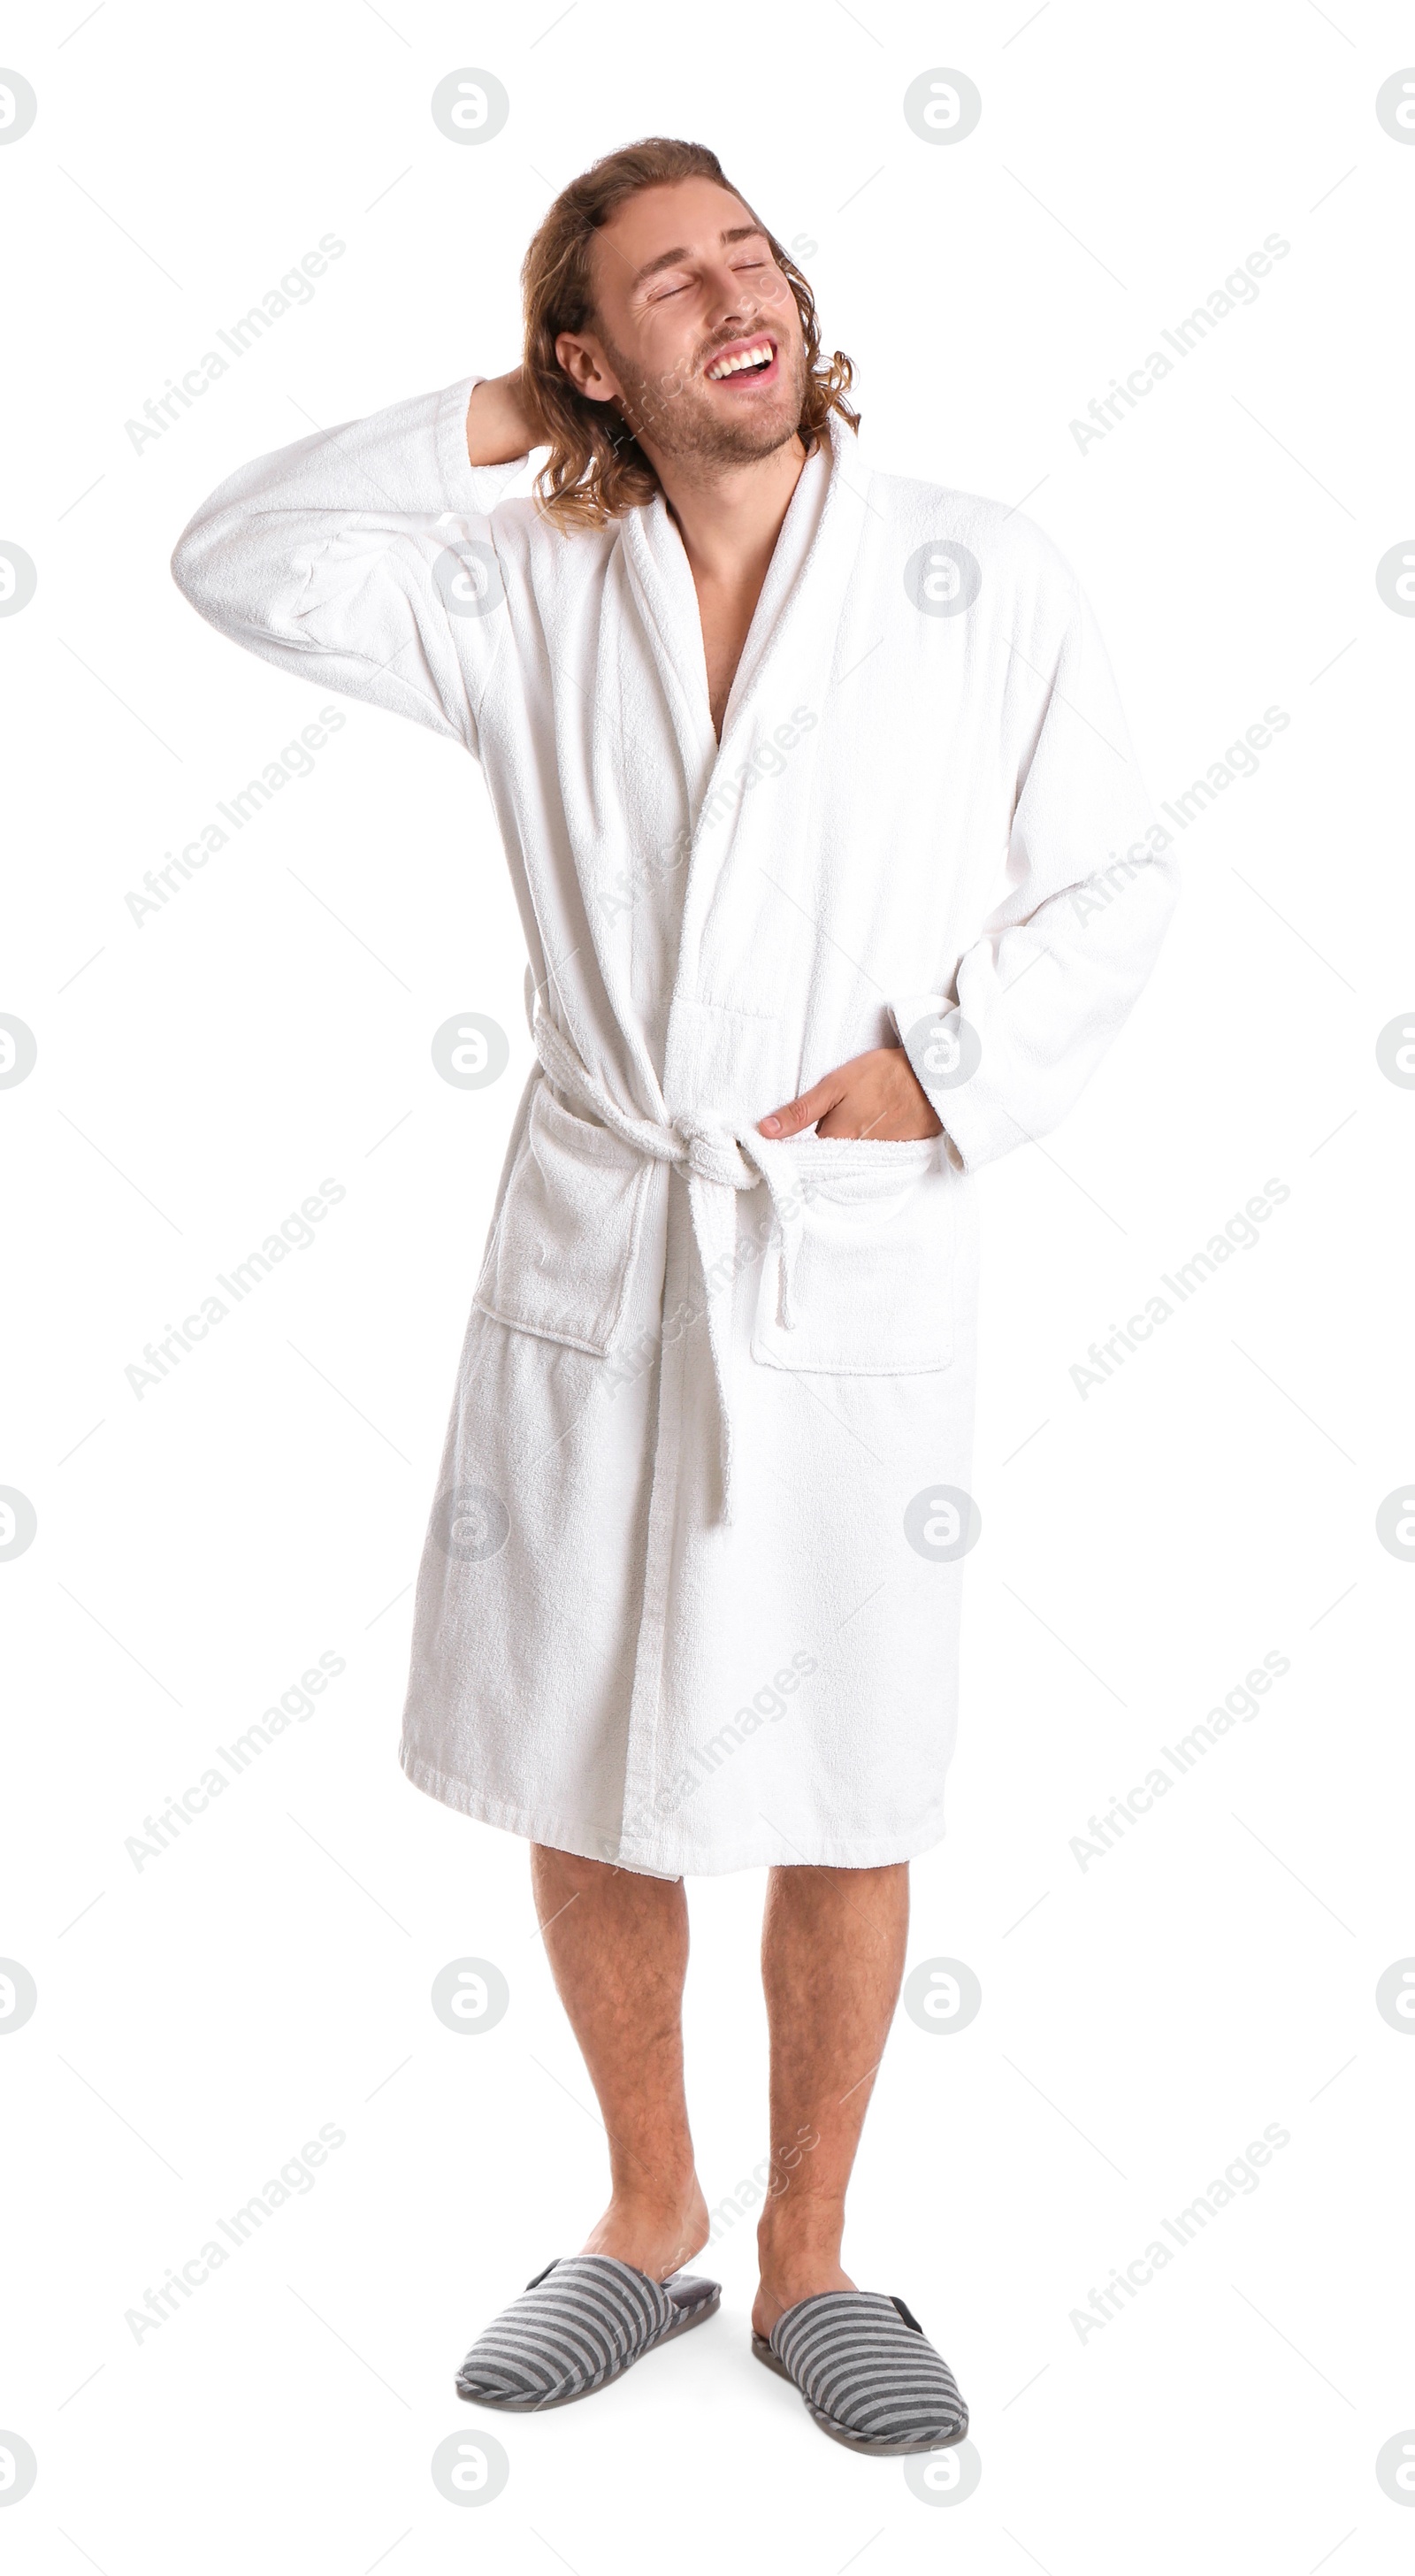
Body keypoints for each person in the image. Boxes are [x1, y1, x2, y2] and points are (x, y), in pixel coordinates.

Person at [172, 134, 1177, 2454]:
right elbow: (233, 558)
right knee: (582, 1736)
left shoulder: (972, 574)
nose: (740, 289)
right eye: (666, 280)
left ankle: (815, 2261)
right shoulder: (528, 581)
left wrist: (926, 1077)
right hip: (607, 1238)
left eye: (752, 250)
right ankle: (646, 2221)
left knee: (849, 1769)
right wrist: (500, 428)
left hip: (837, 1236)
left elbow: (1114, 877)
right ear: (589, 355)